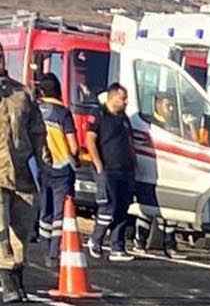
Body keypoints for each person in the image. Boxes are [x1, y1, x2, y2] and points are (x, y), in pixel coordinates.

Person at [0, 76, 47, 301]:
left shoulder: (22, 93)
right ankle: (7, 279)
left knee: (22, 228)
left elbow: (37, 130)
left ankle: (17, 273)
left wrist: (43, 161)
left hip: (22, 172)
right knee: (0, 228)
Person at [86, 82, 137, 262]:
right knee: (109, 206)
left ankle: (117, 247)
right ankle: (96, 239)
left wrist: (134, 163)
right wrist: (98, 163)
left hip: (125, 170)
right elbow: (90, 140)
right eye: (122, 98)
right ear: (112, 97)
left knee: (123, 208)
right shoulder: (99, 115)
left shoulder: (124, 118)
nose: (125, 102)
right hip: (107, 169)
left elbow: (130, 142)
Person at [33, 74, 77, 265]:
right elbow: (73, 146)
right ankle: (53, 253)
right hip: (62, 168)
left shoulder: (35, 112)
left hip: (42, 167)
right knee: (60, 213)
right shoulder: (63, 114)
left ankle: (44, 247)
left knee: (45, 210)